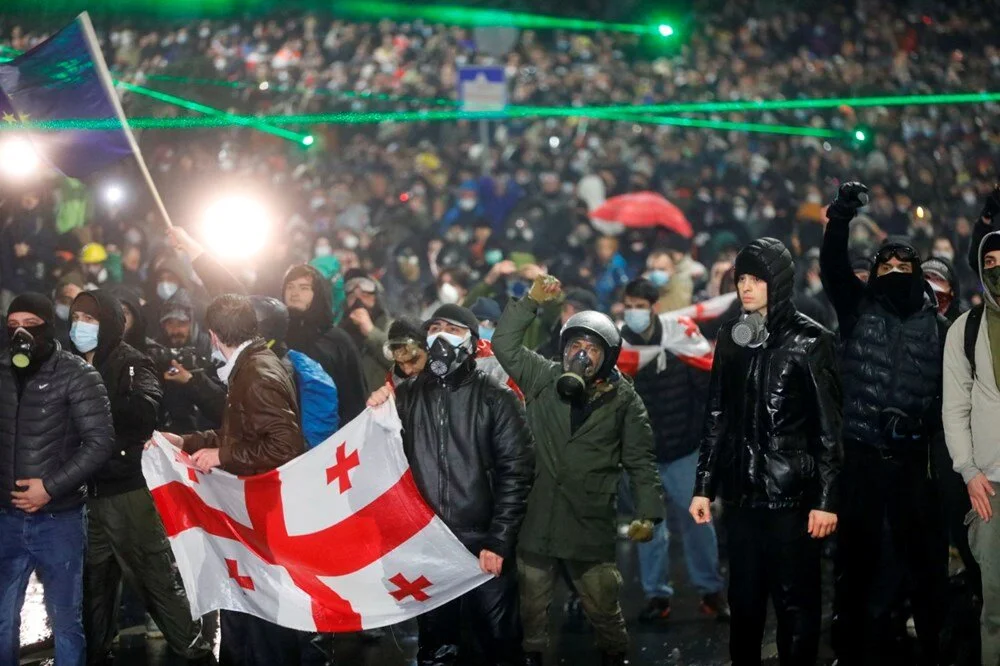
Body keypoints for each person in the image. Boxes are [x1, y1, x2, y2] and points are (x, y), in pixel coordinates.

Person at [492, 277, 663, 666]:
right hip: (539, 514)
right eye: (574, 346)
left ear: (609, 356)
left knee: (602, 600)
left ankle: (614, 652)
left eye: (591, 349)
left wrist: (648, 514)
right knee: (532, 601)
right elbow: (504, 344)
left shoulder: (624, 400)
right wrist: (530, 301)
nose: (581, 356)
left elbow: (640, 459)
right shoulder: (542, 377)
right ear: (563, 348)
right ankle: (533, 654)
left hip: (588, 518)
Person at [691, 238, 842, 665]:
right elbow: (716, 415)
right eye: (742, 279)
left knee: (797, 606)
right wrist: (703, 487)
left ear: (776, 281)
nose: (747, 287)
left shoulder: (811, 341)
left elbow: (829, 429)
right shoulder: (731, 337)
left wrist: (826, 501)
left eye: (756, 278)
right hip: (742, 499)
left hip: (792, 501)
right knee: (745, 605)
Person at [820, 182, 948, 665]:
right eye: (886, 266)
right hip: (863, 458)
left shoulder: (938, 327)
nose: (894, 272)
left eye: (904, 267)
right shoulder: (858, 310)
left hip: (915, 460)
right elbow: (833, 268)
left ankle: (928, 644)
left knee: (921, 563)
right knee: (856, 561)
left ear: (918, 275)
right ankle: (852, 648)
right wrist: (840, 217)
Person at [367, 303, 534, 666]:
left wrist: (498, 540)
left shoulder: (497, 398)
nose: (440, 336)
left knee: (496, 646)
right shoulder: (407, 396)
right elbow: (384, 461)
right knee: (438, 647)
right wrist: (379, 410)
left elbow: (516, 474)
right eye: (435, 328)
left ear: (473, 343)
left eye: (453, 330)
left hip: (483, 547)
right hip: (432, 545)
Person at [154, 293, 306, 666]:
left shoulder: (256, 375)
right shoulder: (251, 367)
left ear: (213, 336)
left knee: (263, 628)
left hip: (262, 517)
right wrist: (188, 442)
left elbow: (285, 446)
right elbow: (243, 434)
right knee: (246, 618)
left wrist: (223, 455)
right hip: (254, 515)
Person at [67, 290, 209, 664]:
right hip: (86, 492)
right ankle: (96, 651)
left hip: (127, 490)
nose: (81, 326)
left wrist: (89, 406)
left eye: (91, 319)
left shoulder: (132, 362)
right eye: (76, 317)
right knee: (93, 584)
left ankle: (194, 650)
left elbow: (144, 412)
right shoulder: (71, 362)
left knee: (155, 576)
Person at [0, 293, 116, 666]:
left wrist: (49, 488)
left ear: (48, 327)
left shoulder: (77, 374)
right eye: (13, 323)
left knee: (66, 621)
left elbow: (100, 442)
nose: (21, 332)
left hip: (59, 519)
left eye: (31, 324)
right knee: (2, 619)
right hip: (6, 518)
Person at [620, 278, 728, 623]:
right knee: (649, 528)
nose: (633, 312)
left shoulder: (681, 335)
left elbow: (706, 385)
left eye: (640, 305)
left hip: (683, 449)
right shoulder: (618, 346)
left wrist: (702, 436)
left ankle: (710, 590)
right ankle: (656, 595)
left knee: (698, 521)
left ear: (654, 307)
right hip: (644, 456)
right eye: (629, 305)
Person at [943, 227, 1000, 665]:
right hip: (992, 491)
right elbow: (955, 407)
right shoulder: (967, 329)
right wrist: (969, 471)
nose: (997, 270)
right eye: (990, 264)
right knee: (996, 613)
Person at [281, 263, 368, 422]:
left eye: (304, 288)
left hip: (331, 437)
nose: (295, 293)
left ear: (318, 294)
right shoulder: (276, 338)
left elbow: (355, 399)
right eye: (290, 287)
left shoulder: (338, 341)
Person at [339, 269, 394, 392]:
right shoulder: (339, 333)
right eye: (353, 297)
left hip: (383, 405)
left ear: (376, 298)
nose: (358, 302)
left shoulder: (391, 327)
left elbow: (401, 361)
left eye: (365, 295)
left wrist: (371, 332)